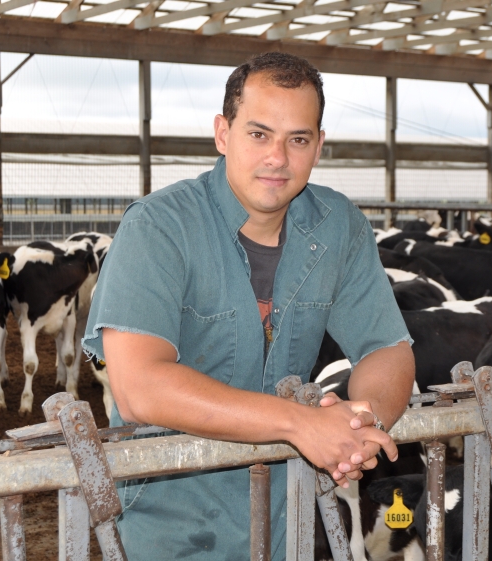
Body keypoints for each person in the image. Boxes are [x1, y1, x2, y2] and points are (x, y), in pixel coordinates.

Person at [82, 52, 415, 560]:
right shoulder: (158, 227)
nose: (278, 157)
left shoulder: (338, 226)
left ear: (318, 146)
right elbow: (140, 388)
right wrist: (300, 424)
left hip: (287, 521)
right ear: (223, 133)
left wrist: (363, 425)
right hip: (167, 522)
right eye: (259, 134)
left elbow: (387, 348)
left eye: (298, 139)